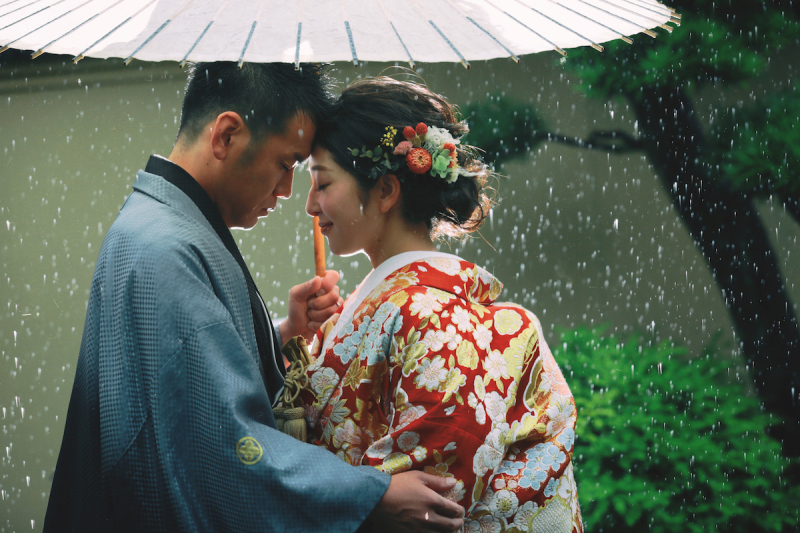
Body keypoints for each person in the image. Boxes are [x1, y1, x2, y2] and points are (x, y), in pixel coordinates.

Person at [43, 62, 464, 533]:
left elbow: (187, 382)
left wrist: (282, 333)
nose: (289, 192)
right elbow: (221, 445)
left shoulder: (161, 227)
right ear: (225, 135)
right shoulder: (163, 248)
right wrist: (370, 494)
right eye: (286, 164)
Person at [300, 77, 583, 532]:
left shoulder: (434, 317)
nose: (311, 205)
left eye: (322, 183)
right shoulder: (403, 306)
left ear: (387, 191)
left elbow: (428, 503)